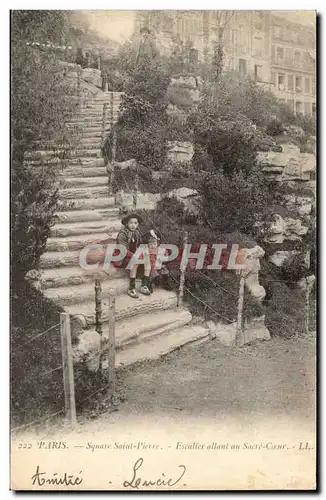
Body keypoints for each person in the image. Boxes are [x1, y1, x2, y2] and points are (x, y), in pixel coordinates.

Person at [114, 213, 151, 299]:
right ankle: (131, 288)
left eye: (135, 223)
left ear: (137, 224)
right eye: (131, 223)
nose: (133, 225)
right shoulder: (122, 234)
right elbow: (123, 250)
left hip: (133, 255)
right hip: (122, 257)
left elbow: (139, 245)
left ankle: (144, 285)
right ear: (127, 224)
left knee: (147, 259)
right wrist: (135, 256)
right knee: (135, 260)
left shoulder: (137, 233)